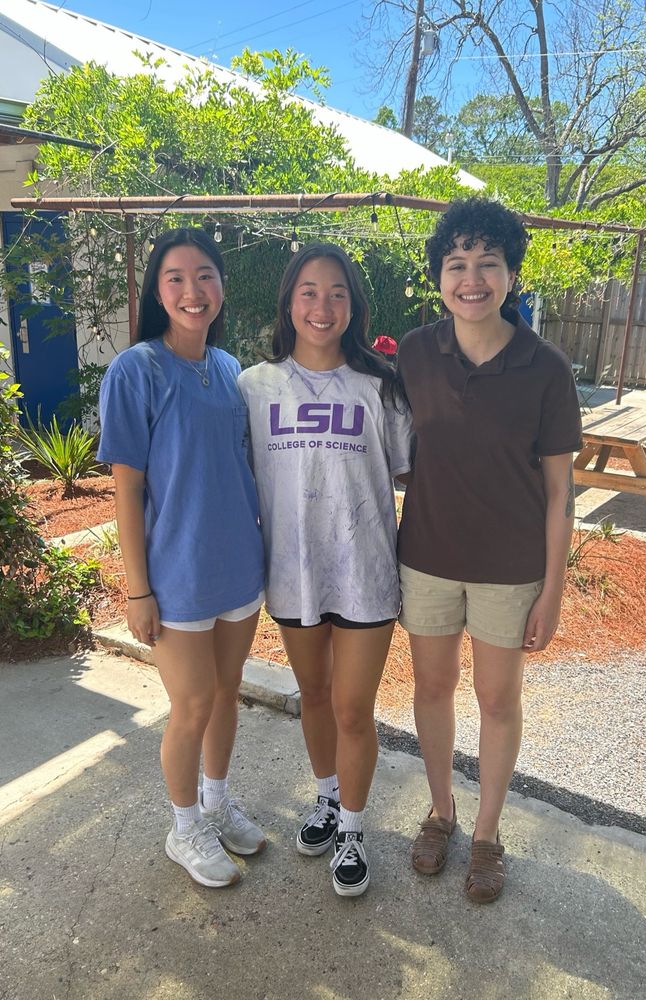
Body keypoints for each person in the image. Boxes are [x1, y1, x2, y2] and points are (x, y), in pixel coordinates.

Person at [397, 199, 582, 903]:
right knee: (433, 690)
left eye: (486, 265)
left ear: (510, 275)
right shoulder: (415, 354)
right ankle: (441, 813)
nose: (470, 280)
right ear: (438, 277)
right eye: (455, 265)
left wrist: (552, 589)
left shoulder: (545, 368)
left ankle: (486, 834)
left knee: (497, 700)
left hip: (510, 570)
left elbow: (560, 493)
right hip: (427, 558)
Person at [238, 243, 412, 897]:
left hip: (366, 571)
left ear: (353, 305)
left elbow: (409, 476)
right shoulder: (253, 387)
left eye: (336, 292)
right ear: (287, 302)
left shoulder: (381, 386)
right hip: (292, 573)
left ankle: (354, 833)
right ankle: (327, 799)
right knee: (312, 697)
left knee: (351, 709)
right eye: (308, 291)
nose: (321, 305)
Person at [97, 227, 267, 889]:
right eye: (176, 277)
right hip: (176, 575)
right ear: (156, 290)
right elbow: (127, 489)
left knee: (227, 695)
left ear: (221, 287)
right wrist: (139, 591)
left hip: (237, 569)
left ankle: (218, 805)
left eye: (205, 276)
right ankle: (184, 824)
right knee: (191, 704)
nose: (192, 291)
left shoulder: (230, 370)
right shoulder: (135, 370)